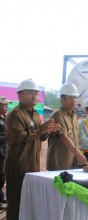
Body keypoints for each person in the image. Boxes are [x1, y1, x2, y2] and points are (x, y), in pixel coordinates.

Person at [4, 79, 60, 220]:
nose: (35, 96)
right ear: (20, 95)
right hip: (18, 165)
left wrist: (48, 130)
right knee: (15, 202)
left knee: (28, 201)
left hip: (32, 165)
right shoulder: (14, 114)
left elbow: (40, 137)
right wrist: (41, 129)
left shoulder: (35, 114)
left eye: (36, 93)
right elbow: (19, 137)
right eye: (30, 93)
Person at [47, 82, 88, 171]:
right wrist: (77, 153)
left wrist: (78, 153)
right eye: (70, 98)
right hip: (60, 159)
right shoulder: (58, 114)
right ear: (62, 100)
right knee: (58, 183)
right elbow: (63, 136)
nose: (74, 100)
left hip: (72, 159)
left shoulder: (74, 115)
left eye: (75, 97)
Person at [0, 96, 11, 208]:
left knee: (2, 176)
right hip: (0, 152)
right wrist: (8, 136)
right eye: (4, 104)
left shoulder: (4, 118)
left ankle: (0, 196)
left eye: (7, 104)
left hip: (3, 152)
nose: (6, 106)